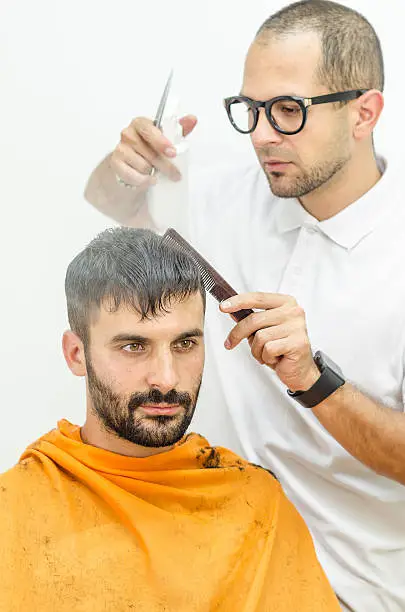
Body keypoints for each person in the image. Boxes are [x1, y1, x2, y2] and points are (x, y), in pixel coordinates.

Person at [84, 1, 405, 610]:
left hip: (348, 587)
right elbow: (112, 202)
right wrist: (127, 170)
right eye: (250, 109)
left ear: (365, 112)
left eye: (288, 110)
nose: (261, 134)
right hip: (211, 554)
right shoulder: (229, 192)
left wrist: (313, 381)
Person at [0, 227, 339, 611]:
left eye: (185, 344)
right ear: (77, 354)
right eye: (133, 346)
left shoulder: (254, 503)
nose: (166, 378)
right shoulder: (16, 511)